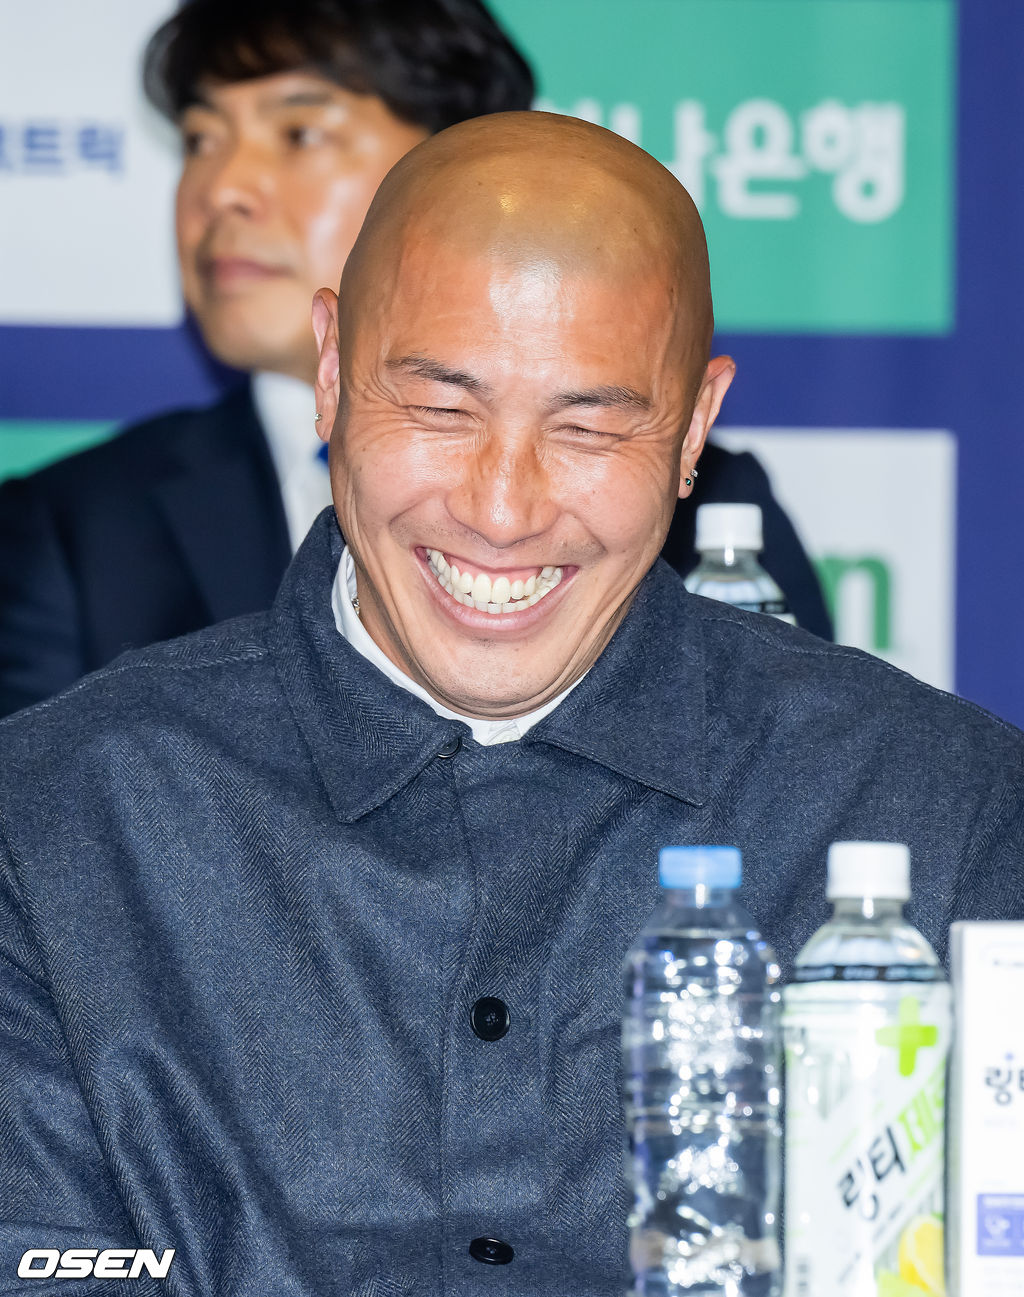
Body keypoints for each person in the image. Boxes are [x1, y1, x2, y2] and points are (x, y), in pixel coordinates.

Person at [2, 114, 1012, 1294]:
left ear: (694, 427)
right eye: (441, 409)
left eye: (588, 427)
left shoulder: (946, 811)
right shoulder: (56, 820)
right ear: (329, 372)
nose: (500, 508)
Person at [0, 0, 831, 721]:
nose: (224, 189)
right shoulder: (73, 525)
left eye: (300, 133)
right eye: (200, 138)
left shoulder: (712, 510)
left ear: (465, 156)